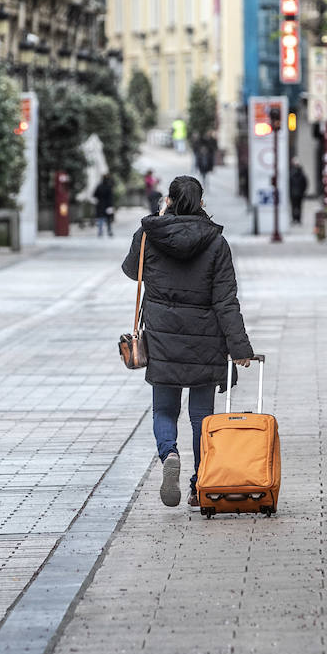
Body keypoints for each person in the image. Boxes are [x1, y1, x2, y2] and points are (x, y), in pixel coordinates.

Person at [122, 176, 255, 508]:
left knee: (164, 409)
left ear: (169, 200)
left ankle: (169, 453)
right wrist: (239, 348)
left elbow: (131, 271)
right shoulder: (216, 242)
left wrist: (153, 222)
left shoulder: (152, 236)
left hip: (163, 337)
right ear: (202, 203)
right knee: (201, 417)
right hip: (205, 341)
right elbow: (226, 301)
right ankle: (200, 483)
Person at [93, 173, 115, 238]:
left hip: (100, 205)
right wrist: (111, 205)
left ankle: (100, 232)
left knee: (100, 218)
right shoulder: (109, 187)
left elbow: (94, 195)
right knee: (108, 219)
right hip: (108, 205)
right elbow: (111, 197)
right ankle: (109, 231)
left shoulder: (99, 186)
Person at [289, 158, 308, 225]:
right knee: (297, 206)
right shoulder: (300, 173)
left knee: (295, 206)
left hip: (295, 193)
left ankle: (296, 219)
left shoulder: (291, 173)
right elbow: (305, 183)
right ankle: (297, 219)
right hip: (298, 193)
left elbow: (305, 183)